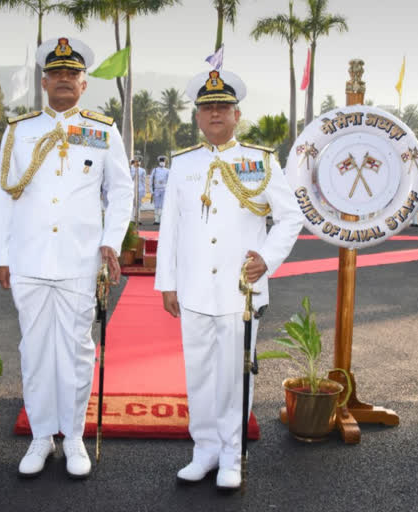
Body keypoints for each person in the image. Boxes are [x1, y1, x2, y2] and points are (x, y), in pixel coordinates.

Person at [0, 36, 133, 480]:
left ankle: (72, 436)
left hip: (79, 260)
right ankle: (40, 436)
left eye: (73, 74)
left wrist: (111, 239)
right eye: (57, 74)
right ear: (44, 81)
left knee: (75, 350)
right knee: (34, 349)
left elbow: (123, 190)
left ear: (84, 84)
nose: (64, 81)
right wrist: (0, 255)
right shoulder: (19, 130)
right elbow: (6, 196)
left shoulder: (102, 129)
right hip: (30, 258)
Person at [154, 69, 302, 490]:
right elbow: (170, 229)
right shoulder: (183, 164)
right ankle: (204, 450)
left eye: (222, 107)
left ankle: (233, 454)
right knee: (199, 373)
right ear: (197, 117)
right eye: (207, 107)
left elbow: (290, 218)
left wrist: (267, 259)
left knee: (235, 375)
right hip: (196, 290)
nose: (215, 113)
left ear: (237, 115)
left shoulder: (260, 161)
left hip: (241, 292)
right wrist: (168, 282)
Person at [150, 155, 169, 224]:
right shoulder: (155, 170)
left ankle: (162, 219)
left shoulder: (167, 171)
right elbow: (151, 180)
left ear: (165, 162)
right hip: (157, 189)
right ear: (159, 162)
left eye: (163, 161)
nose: (162, 163)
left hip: (164, 189)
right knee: (156, 205)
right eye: (161, 161)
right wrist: (151, 191)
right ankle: (156, 219)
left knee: (162, 205)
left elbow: (170, 181)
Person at [130, 156, 146, 221]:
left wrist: (144, 191)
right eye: (136, 162)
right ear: (134, 162)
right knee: (131, 204)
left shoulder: (142, 170)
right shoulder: (130, 169)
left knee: (138, 205)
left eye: (138, 162)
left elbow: (143, 180)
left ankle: (138, 219)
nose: (137, 163)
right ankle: (132, 219)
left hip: (140, 189)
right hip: (132, 189)